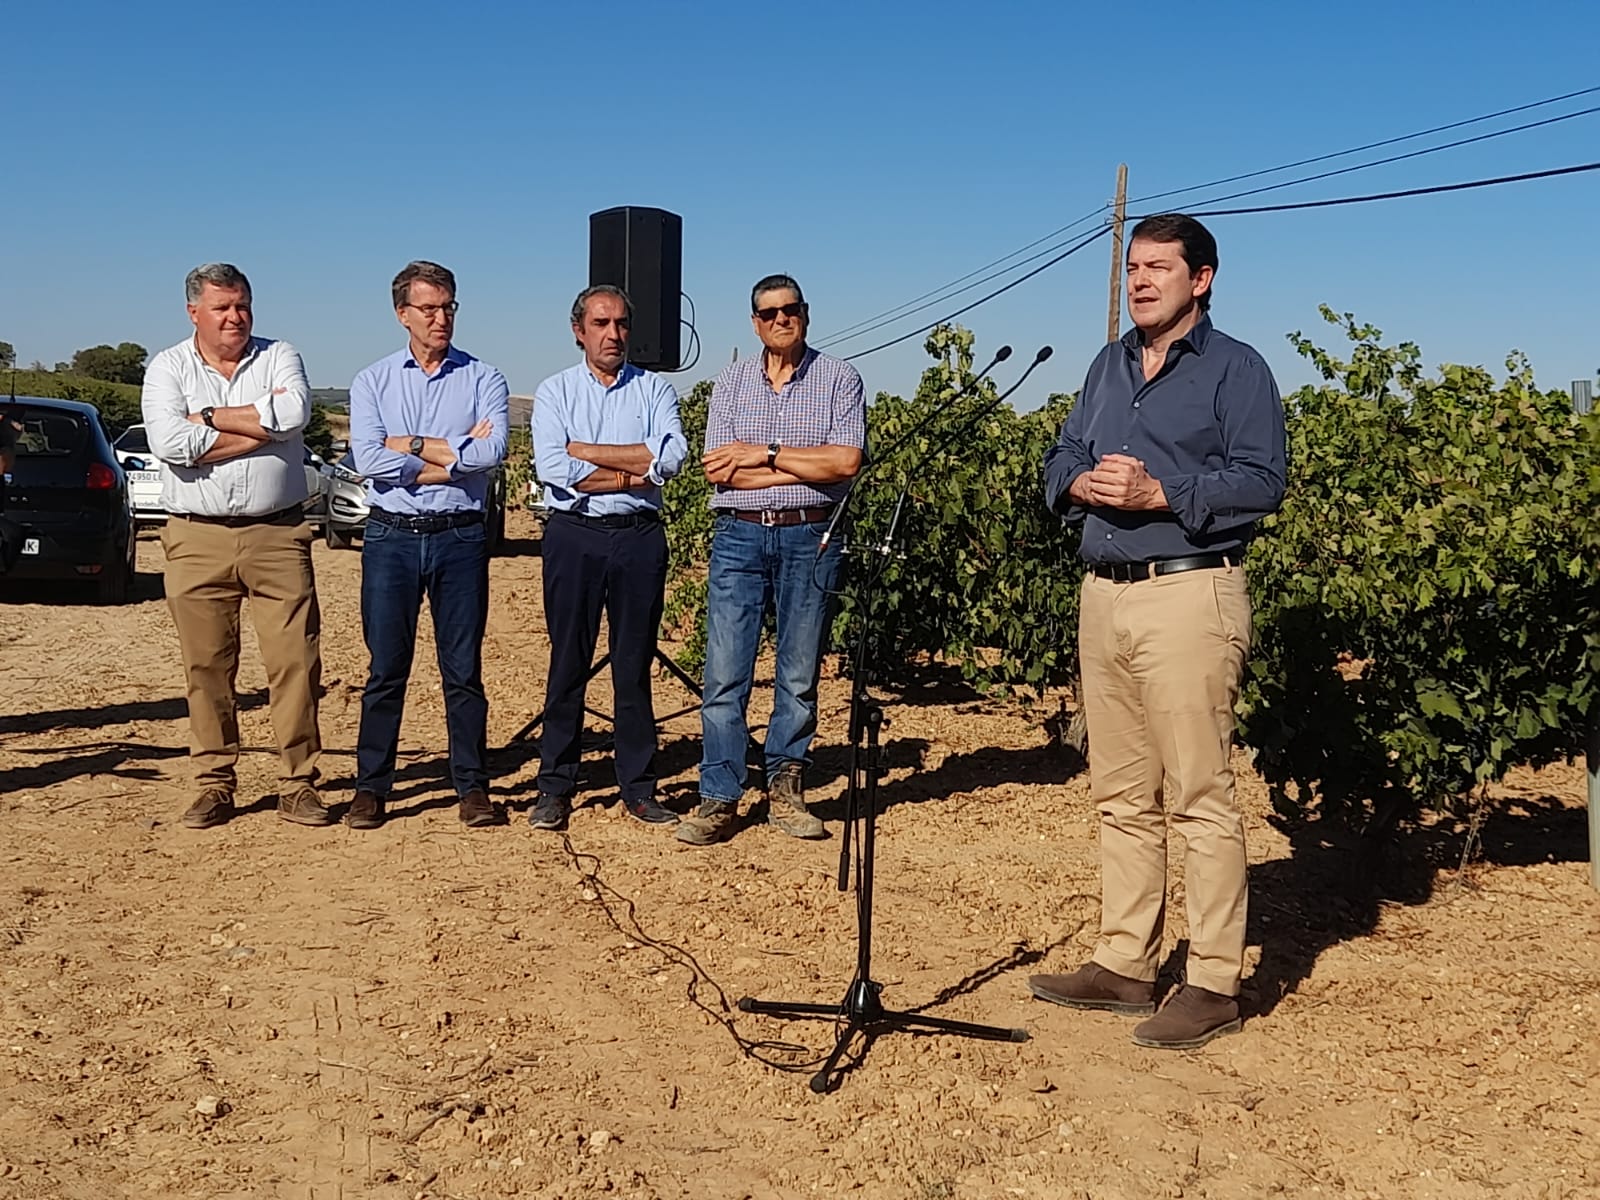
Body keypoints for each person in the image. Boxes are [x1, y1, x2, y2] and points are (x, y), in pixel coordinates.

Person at [1032, 214, 1287, 1049]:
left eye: (1160, 268)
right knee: (1120, 792)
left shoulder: (1237, 369)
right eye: (1134, 267)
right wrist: (1081, 488)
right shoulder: (1107, 364)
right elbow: (1061, 456)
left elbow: (1262, 480)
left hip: (1188, 595)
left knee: (1200, 796)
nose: (1141, 280)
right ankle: (1125, 962)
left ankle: (1214, 981)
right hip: (1103, 594)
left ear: (1201, 280)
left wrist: (1160, 493)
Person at [677, 274, 866, 847]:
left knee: (798, 671)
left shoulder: (839, 379)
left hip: (810, 536)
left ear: (805, 314)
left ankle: (786, 788)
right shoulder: (731, 381)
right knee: (725, 671)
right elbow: (718, 471)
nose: (782, 319)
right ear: (754, 322)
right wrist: (800, 465)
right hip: (739, 535)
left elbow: (846, 462)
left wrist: (765, 454)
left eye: (791, 310)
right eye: (770, 313)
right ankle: (720, 794)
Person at [141, 263, 329, 830]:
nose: (235, 317)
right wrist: (258, 428)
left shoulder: (280, 356)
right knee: (207, 667)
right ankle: (214, 783)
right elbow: (170, 443)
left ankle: (298, 783)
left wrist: (207, 419)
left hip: (278, 533)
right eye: (222, 307)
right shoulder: (167, 367)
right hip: (196, 536)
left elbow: (294, 413)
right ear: (193, 311)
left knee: (296, 663)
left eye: (242, 305)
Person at [347, 261, 509, 829]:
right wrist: (451, 457)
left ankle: (472, 786)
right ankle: (371, 788)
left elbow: (491, 455)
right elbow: (367, 460)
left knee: (462, 670)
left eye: (449, 307)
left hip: (460, 539)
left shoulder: (484, 378)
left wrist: (409, 447)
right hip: (391, 537)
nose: (442, 319)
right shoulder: (373, 381)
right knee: (386, 669)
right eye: (429, 309)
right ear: (402, 315)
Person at [527, 285, 687, 831]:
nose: (613, 334)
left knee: (633, 664)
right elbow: (552, 465)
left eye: (620, 323)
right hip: (575, 536)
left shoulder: (654, 390)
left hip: (639, 537)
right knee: (568, 661)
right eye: (601, 323)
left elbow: (670, 456)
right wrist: (630, 469)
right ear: (579, 330)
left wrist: (587, 453)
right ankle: (555, 785)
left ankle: (639, 787)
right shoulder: (554, 393)